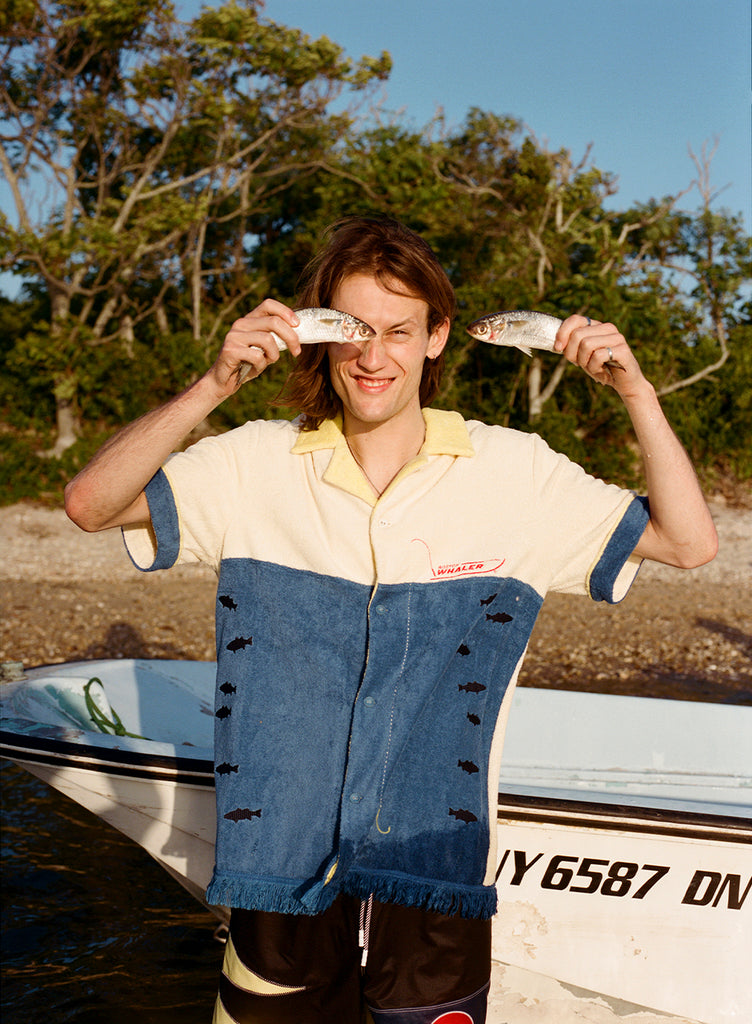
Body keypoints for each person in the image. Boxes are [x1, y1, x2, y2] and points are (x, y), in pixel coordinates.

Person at [65, 216, 717, 1024]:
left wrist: (635, 391)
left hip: (434, 874)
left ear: (437, 337)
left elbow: (687, 543)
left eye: (400, 331)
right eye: (355, 331)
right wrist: (213, 387)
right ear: (318, 337)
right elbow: (90, 505)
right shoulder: (250, 462)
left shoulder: (518, 474)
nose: (375, 358)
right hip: (277, 874)